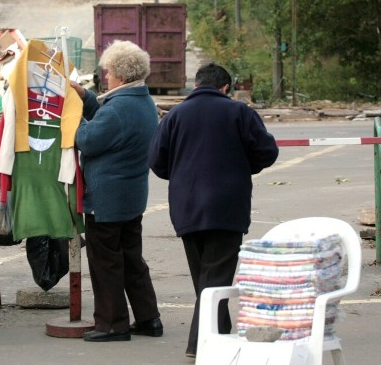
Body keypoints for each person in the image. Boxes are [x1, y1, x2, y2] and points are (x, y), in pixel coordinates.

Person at [148, 63, 280, 358]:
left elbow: (156, 160)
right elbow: (267, 152)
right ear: (225, 88)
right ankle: (200, 346)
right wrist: (246, 165)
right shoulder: (239, 113)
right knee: (215, 280)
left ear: (196, 85)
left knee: (206, 280)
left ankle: (220, 337)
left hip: (186, 206)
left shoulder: (175, 115)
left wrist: (182, 174)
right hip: (226, 206)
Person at [71, 40, 162, 343]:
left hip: (107, 200)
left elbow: (87, 138)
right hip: (131, 197)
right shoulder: (141, 100)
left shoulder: (119, 109)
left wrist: (71, 116)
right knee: (132, 260)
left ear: (120, 76)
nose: (104, 77)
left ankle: (112, 324)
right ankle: (149, 318)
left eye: (107, 73)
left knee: (106, 263)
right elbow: (108, 118)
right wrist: (86, 98)